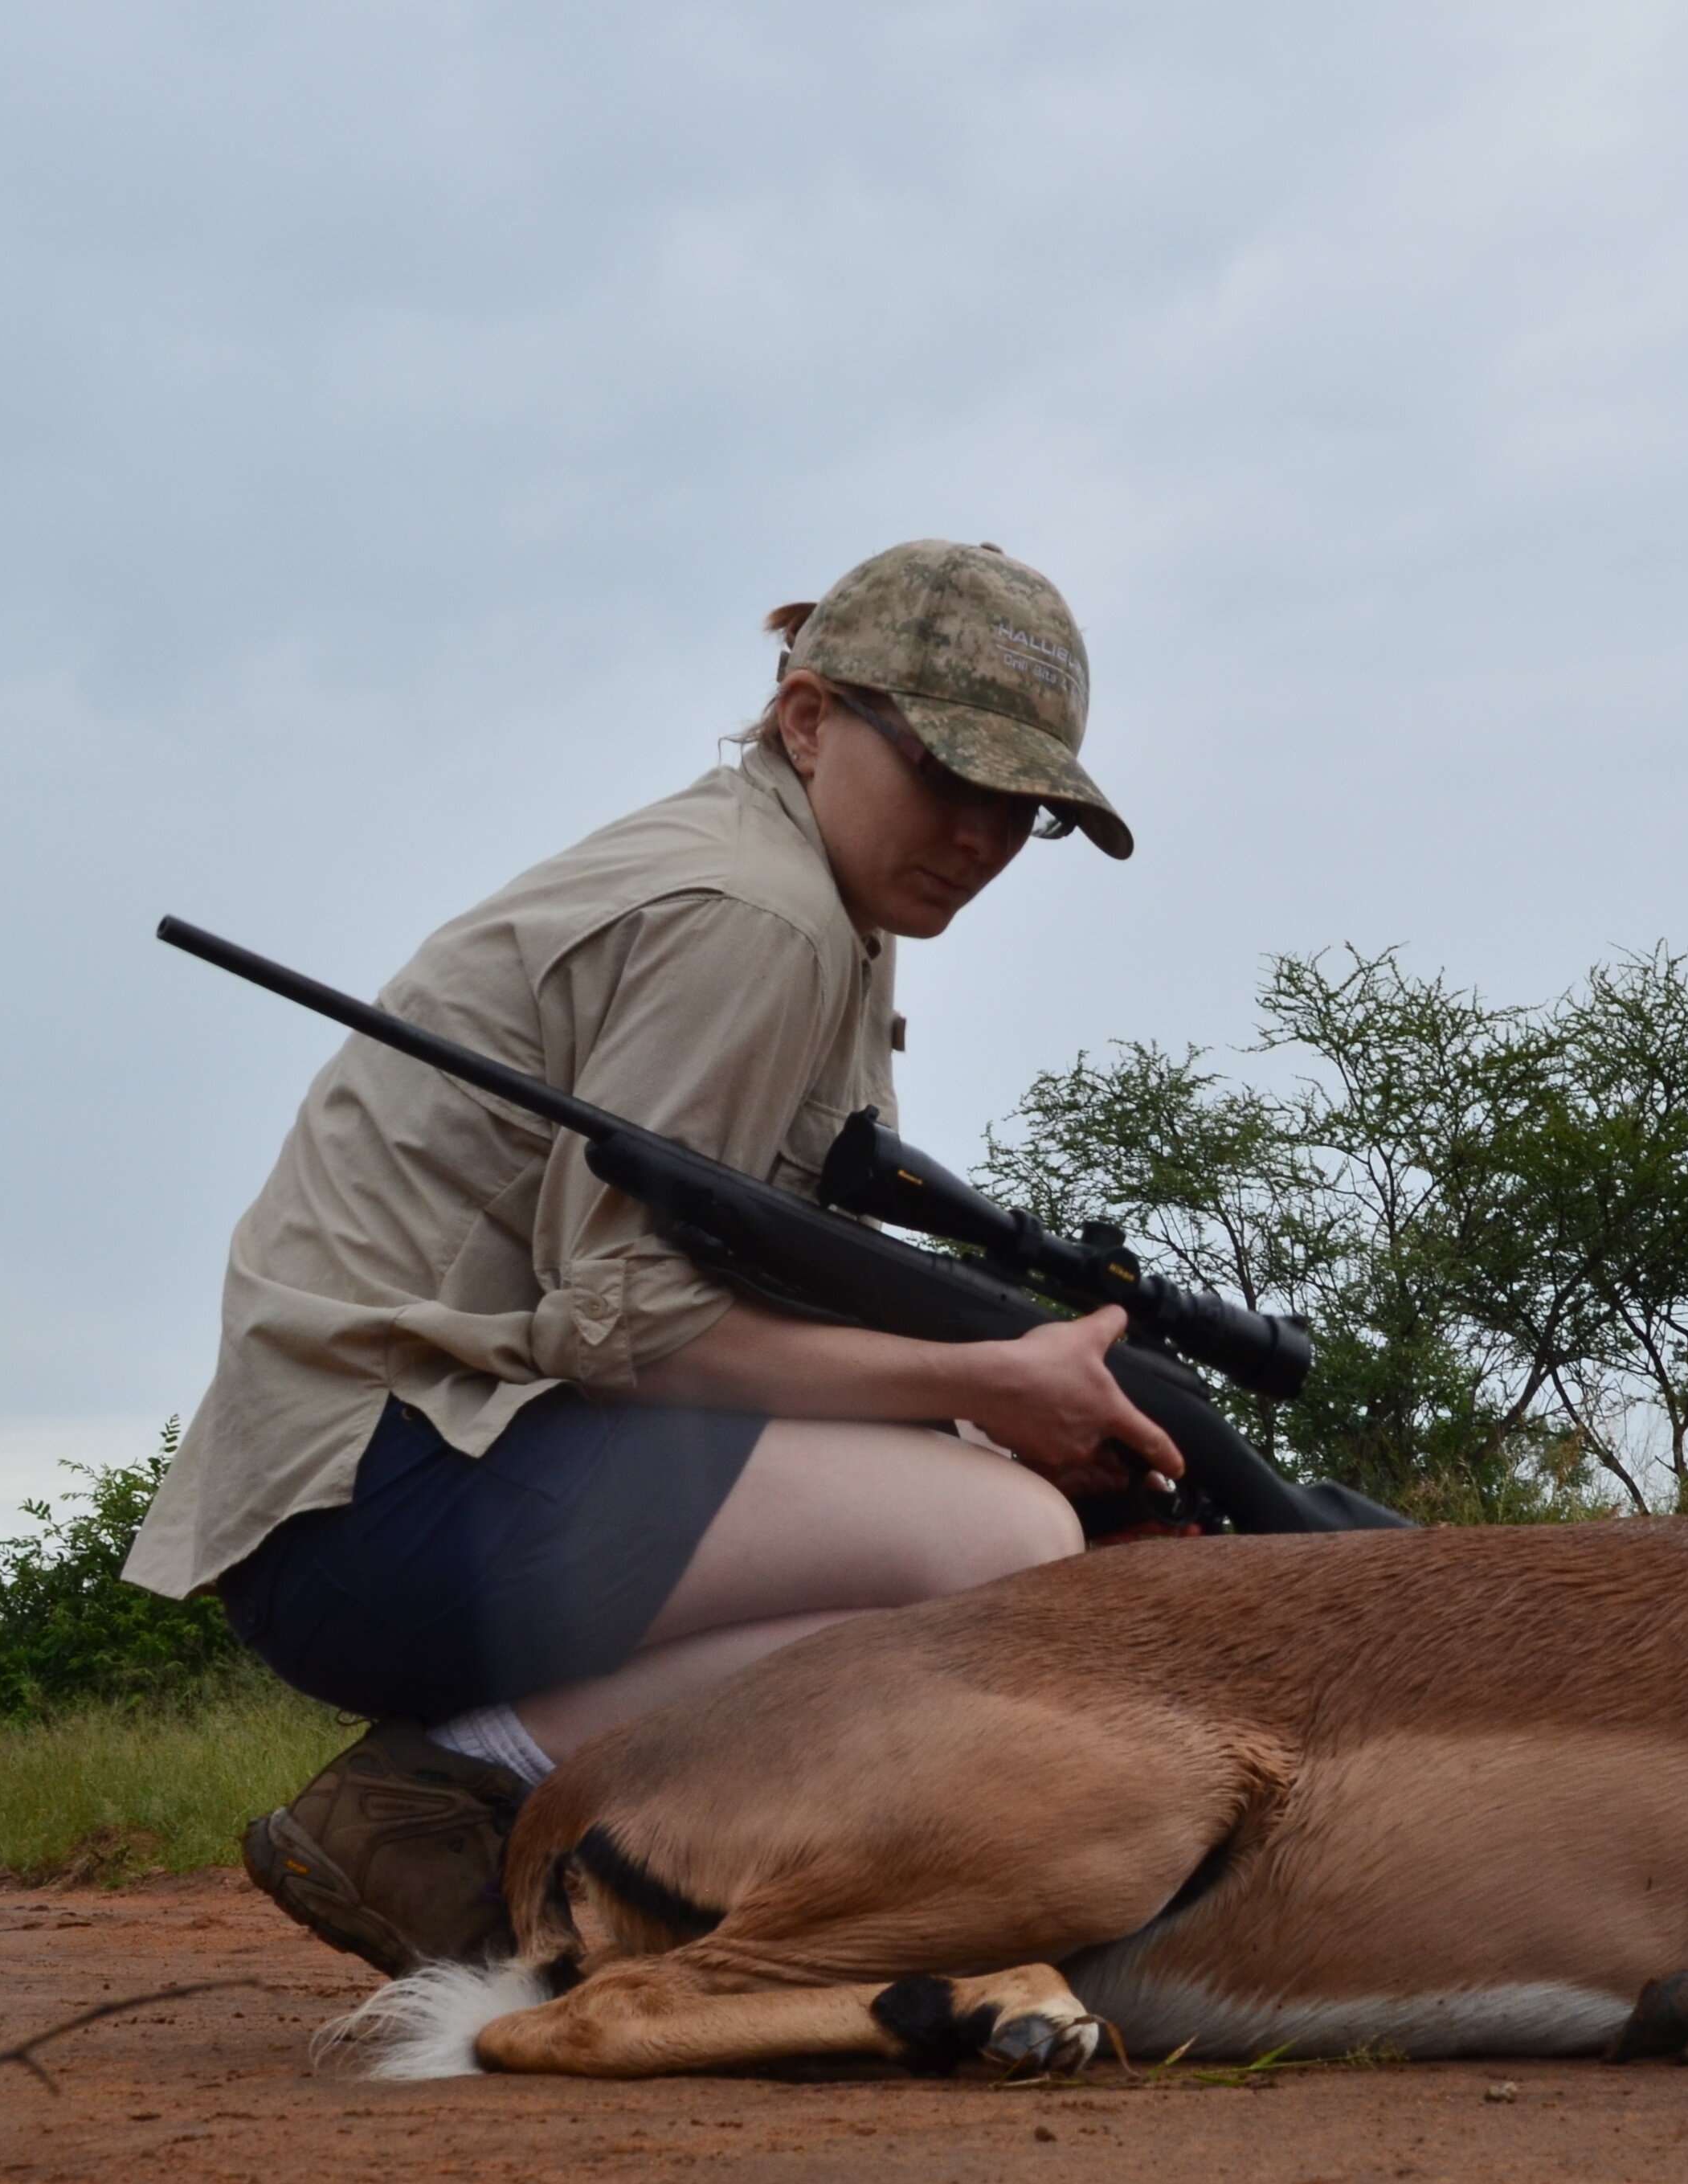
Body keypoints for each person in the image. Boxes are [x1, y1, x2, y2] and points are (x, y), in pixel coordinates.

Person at [123, 541, 1181, 1977]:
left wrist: (965, 1401)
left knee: (976, 1502)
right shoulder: (763, 911)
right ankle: (451, 1789)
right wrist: (985, 1387)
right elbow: (621, 1326)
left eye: (1024, 806)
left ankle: (602, 1831)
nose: (983, 835)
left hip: (412, 1475)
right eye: (950, 775)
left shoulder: (826, 901)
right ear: (807, 719)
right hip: (381, 1496)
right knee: (1000, 1543)